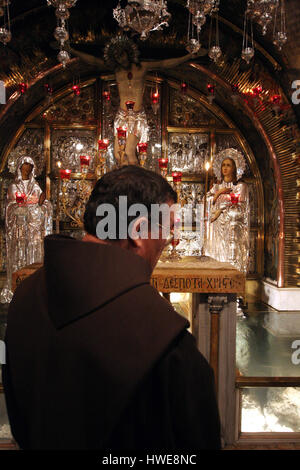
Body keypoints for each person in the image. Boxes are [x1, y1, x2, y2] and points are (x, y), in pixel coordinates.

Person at [3, 165, 221, 450]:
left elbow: (19, 416)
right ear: (139, 230)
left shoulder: (23, 297)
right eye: (166, 228)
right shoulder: (168, 341)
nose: (168, 241)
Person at [69, 35, 206, 165]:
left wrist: (188, 56)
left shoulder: (142, 67)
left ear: (127, 53)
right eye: (117, 57)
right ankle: (124, 183)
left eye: (122, 55)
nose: (120, 59)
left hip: (136, 116)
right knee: (118, 154)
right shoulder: (116, 70)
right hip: (122, 115)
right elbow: (93, 60)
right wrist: (71, 50)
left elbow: (164, 63)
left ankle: (134, 184)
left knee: (129, 152)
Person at [0, 156, 52, 304]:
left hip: (34, 230)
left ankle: (33, 287)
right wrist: (20, 207)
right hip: (19, 229)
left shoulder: (36, 187)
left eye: (30, 165)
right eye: (25, 165)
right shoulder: (13, 186)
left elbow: (43, 204)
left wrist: (41, 205)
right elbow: (10, 206)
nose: (27, 167)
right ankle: (17, 286)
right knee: (20, 255)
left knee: (33, 255)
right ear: (20, 167)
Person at [205, 149, 250, 273]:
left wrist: (220, 209)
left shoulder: (240, 186)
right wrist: (218, 193)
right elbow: (205, 202)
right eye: (223, 165)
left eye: (228, 165)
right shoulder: (216, 187)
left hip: (232, 227)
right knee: (217, 254)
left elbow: (240, 206)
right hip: (216, 228)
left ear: (235, 168)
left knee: (231, 255)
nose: (225, 168)